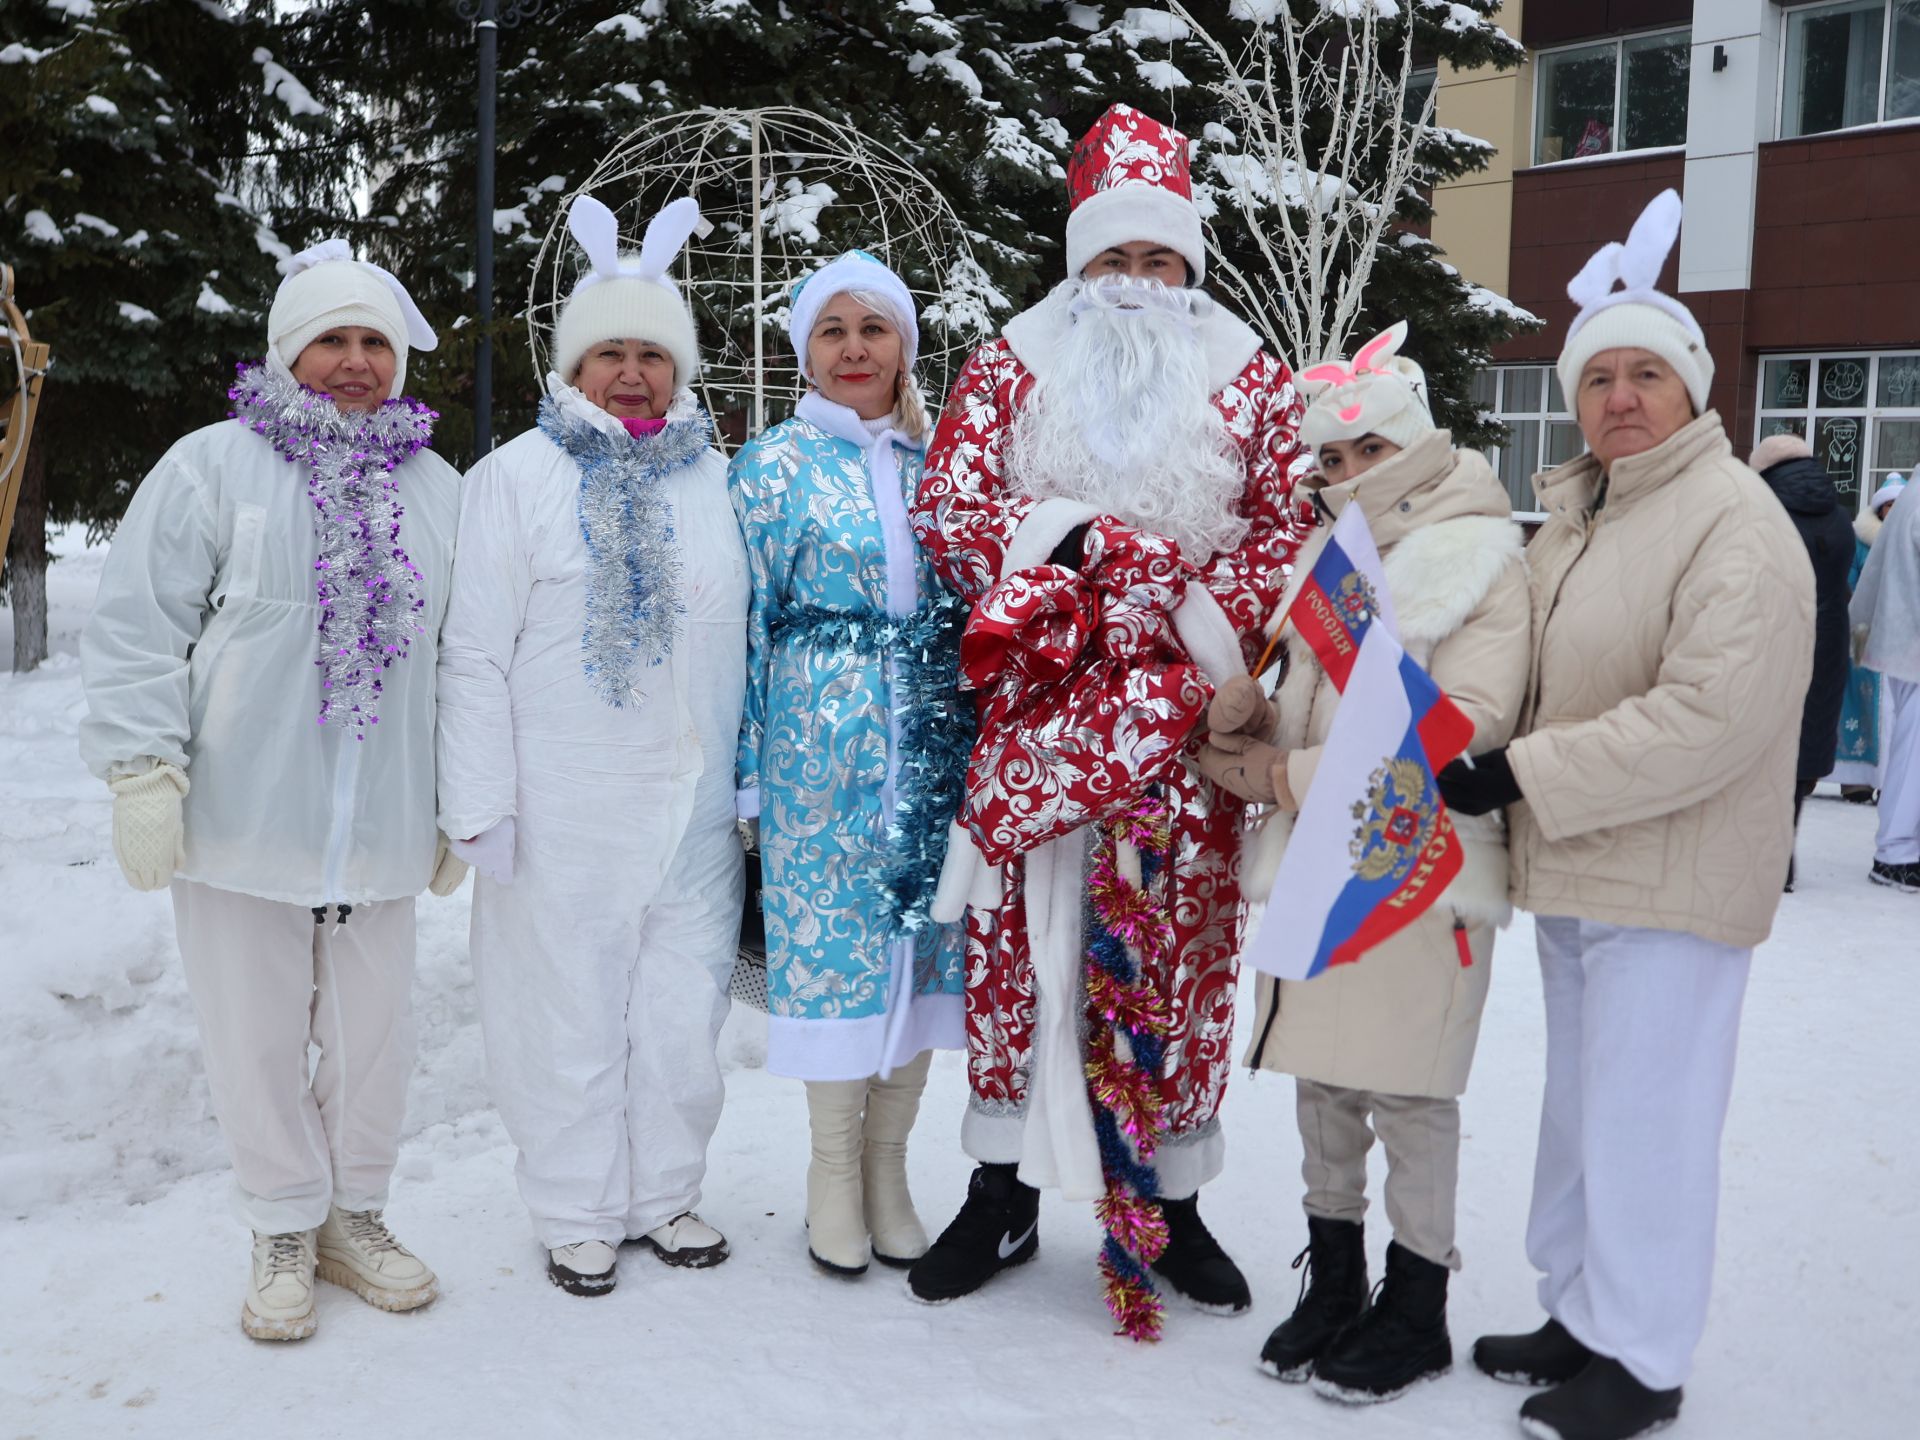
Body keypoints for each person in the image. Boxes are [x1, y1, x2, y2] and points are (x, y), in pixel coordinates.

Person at [906, 103, 1312, 1330]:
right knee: (1017, 958)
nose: (1135, 284)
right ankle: (1002, 1186)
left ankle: (1174, 1202)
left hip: (1189, 723)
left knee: (1179, 959)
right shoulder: (1010, 361)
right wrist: (1079, 566)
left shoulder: (1251, 374)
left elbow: (1286, 531)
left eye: (1159, 261)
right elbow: (955, 506)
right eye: (1113, 260)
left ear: (1188, 267)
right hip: (1042, 708)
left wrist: (1173, 626)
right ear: (1079, 263)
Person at [1438, 190, 1814, 1440]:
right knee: (1586, 1110)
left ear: (1694, 390)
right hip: (1586, 867)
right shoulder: (1588, 518)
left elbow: (1712, 719)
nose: (1620, 398)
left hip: (1673, 874)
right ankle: (1583, 1312)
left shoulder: (1734, 527)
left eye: (1647, 373)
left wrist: (1525, 773)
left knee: (1648, 1117)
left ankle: (1642, 1357)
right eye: (1598, 378)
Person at [78, 240, 461, 1341]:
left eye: (373, 343)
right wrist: (144, 770)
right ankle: (283, 1223)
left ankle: (355, 1215)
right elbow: (141, 625)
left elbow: (467, 656)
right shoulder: (212, 466)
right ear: (288, 353)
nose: (353, 363)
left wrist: (456, 805)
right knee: (251, 1036)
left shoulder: (437, 489)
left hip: (383, 826)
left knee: (375, 1038)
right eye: (331, 342)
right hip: (243, 820)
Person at [1196, 322, 1529, 1401]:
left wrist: (1285, 777)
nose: (1346, 475)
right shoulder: (1333, 557)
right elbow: (1311, 690)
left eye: (1367, 452)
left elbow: (1464, 718)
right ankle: (1335, 1283)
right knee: (1327, 1086)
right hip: (1319, 859)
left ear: (1415, 443)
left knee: (1409, 1092)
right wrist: (1254, 704)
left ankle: (1416, 1304)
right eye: (1331, 461)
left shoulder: (1480, 550)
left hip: (1418, 865)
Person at [436, 194, 746, 1297]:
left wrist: (747, 781)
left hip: (694, 806)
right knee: (563, 1005)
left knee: (679, 1008)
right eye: (608, 351)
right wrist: (479, 803)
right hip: (562, 803)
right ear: (572, 365)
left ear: (680, 369)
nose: (631, 373)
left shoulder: (717, 479)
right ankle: (573, 1206)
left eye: (651, 354)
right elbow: (470, 651)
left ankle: (664, 1192)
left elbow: (745, 637)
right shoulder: (516, 478)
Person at [730, 251, 968, 1276]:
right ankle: (831, 1171)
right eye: (834, 331)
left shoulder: (941, 463)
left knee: (922, 943)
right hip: (814, 751)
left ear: (905, 346)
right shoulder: (770, 467)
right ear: (805, 353)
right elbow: (740, 623)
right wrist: (748, 770)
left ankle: (887, 1167)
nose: (856, 348)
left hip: (931, 741)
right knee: (832, 952)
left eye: (874, 329)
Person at [1749, 431, 1855, 890]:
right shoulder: (1838, 514)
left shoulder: (1761, 512)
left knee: (1755, 751)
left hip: (1767, 641)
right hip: (1826, 644)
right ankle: (1780, 862)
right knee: (1797, 753)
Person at [1850, 478, 1920, 891]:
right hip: (1911, 646)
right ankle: (1895, 853)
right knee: (1913, 754)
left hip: (1903, 642)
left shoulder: (1912, 492)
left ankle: (1900, 848)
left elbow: (1874, 573)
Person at [1834, 476, 1905, 802]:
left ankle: (1892, 778)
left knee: (1896, 712)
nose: (1892, 511)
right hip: (1864, 634)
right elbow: (1849, 582)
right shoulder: (1862, 542)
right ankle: (1856, 779)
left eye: (1897, 505)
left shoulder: (1909, 539)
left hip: (1903, 638)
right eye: (1888, 505)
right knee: (1863, 706)